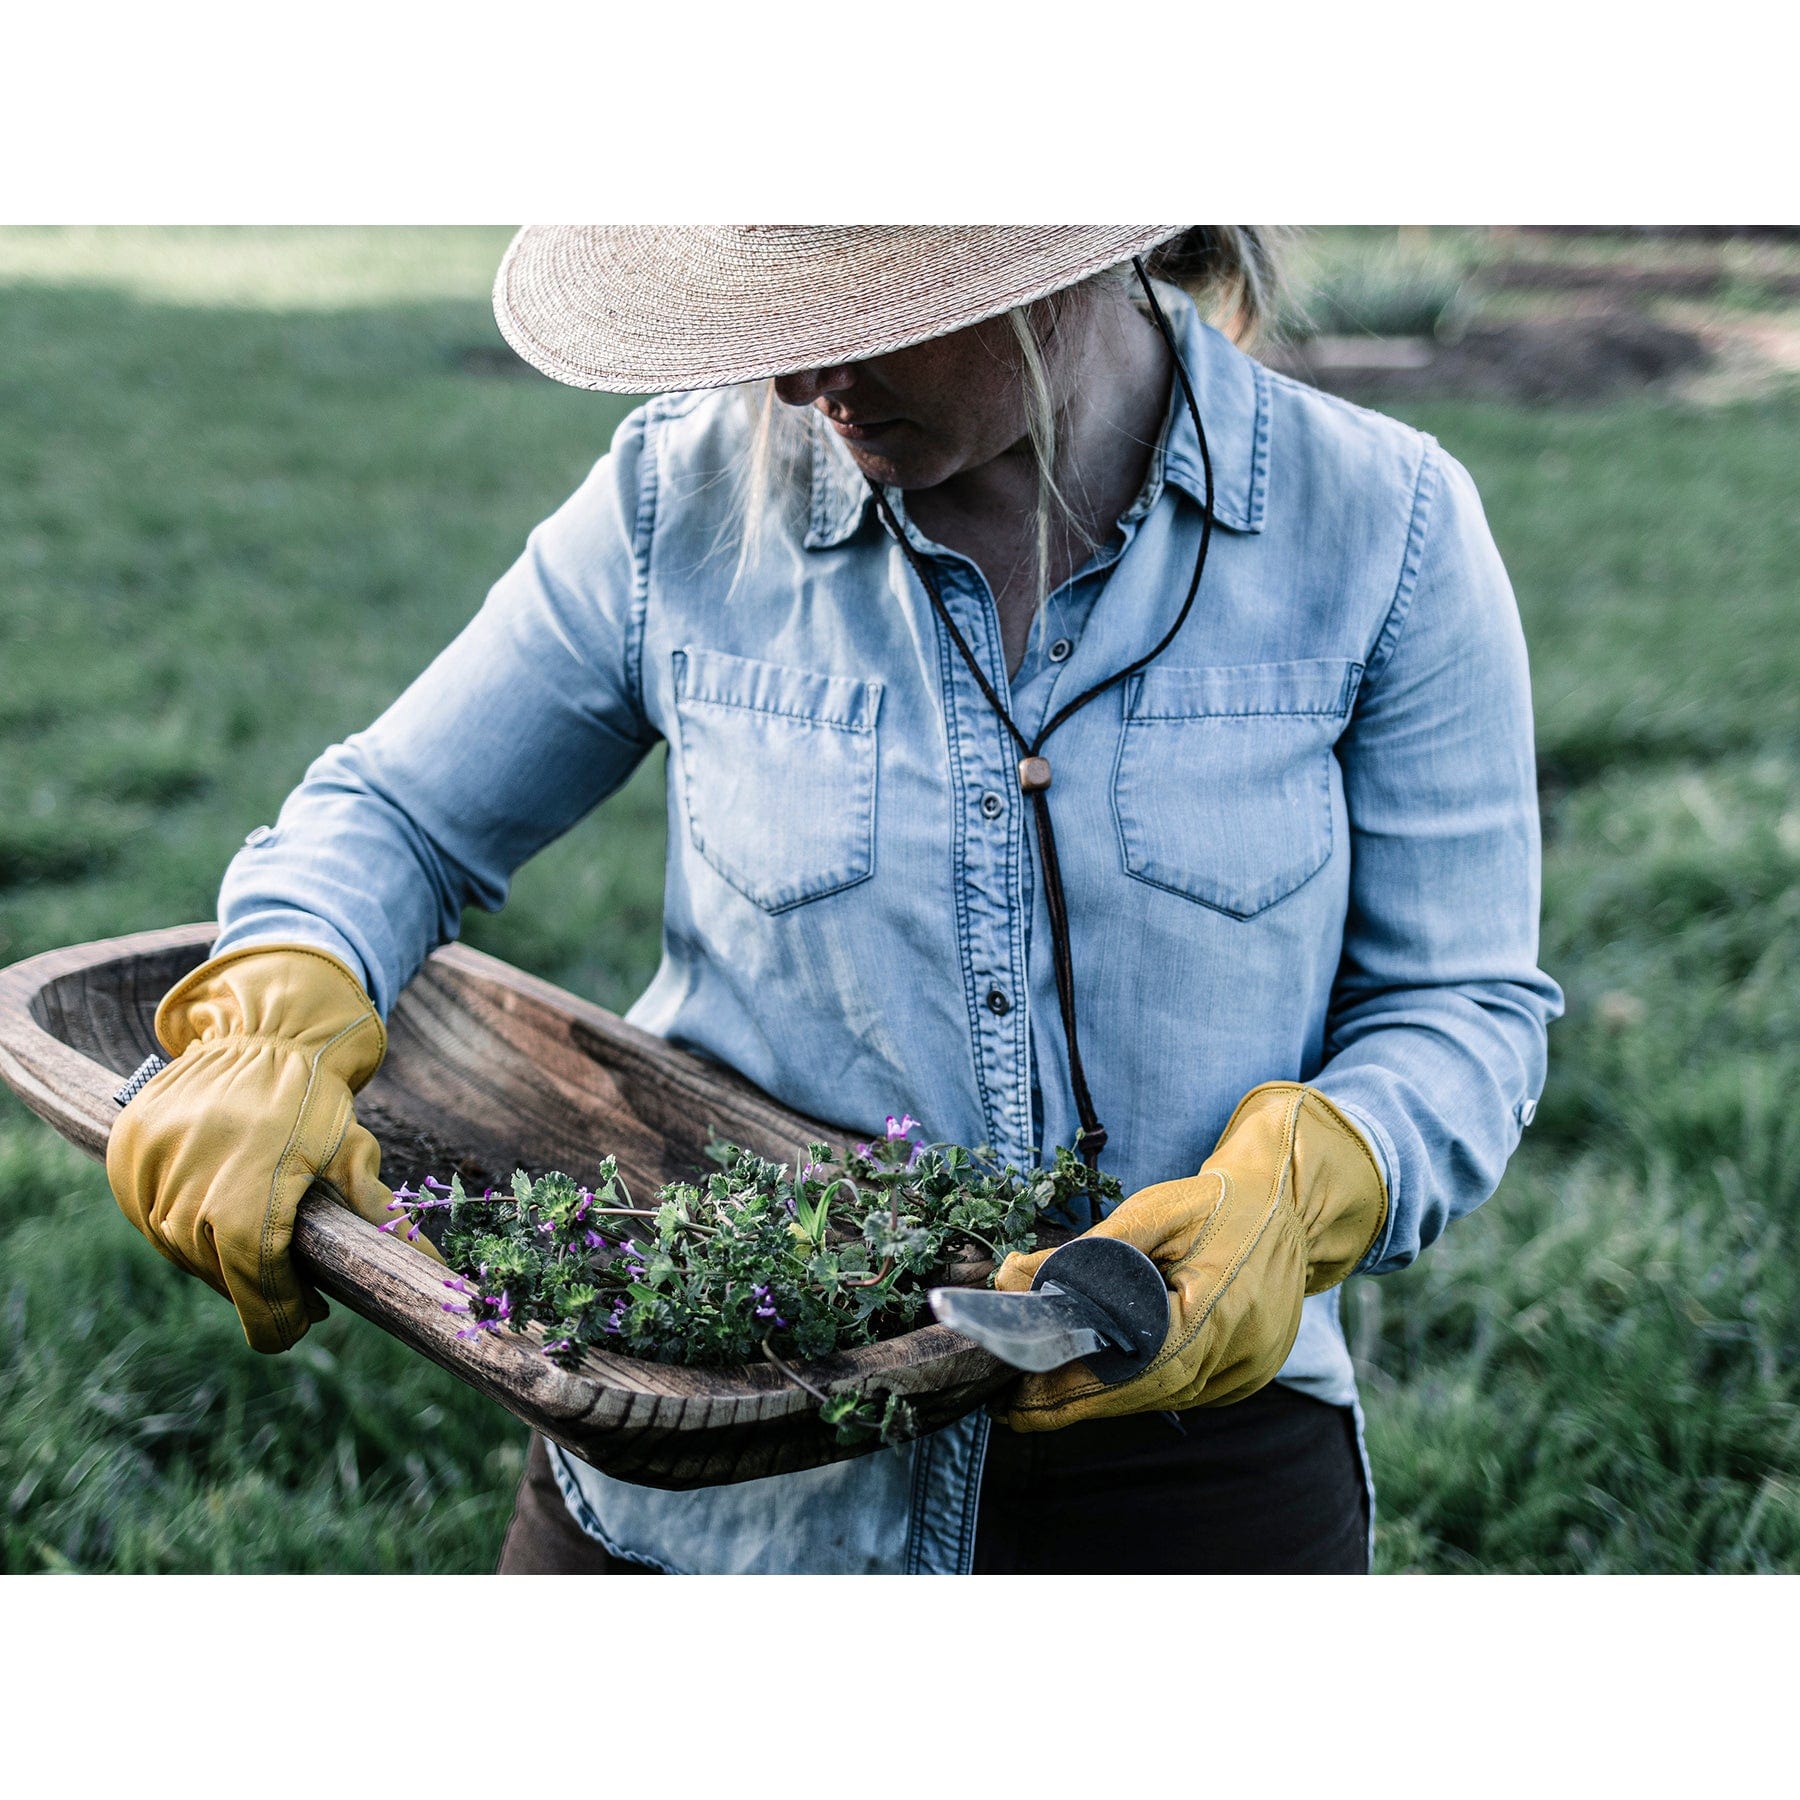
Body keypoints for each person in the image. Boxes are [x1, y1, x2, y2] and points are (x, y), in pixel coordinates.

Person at [106, 226, 1562, 1574]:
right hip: (715, 1471)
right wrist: (277, 1013)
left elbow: (1463, 1006)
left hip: (1178, 1460)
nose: (799, 376)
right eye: (775, 308)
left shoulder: (1384, 528)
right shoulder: (676, 495)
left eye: (861, 305)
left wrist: (1314, 1180)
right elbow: (399, 813)